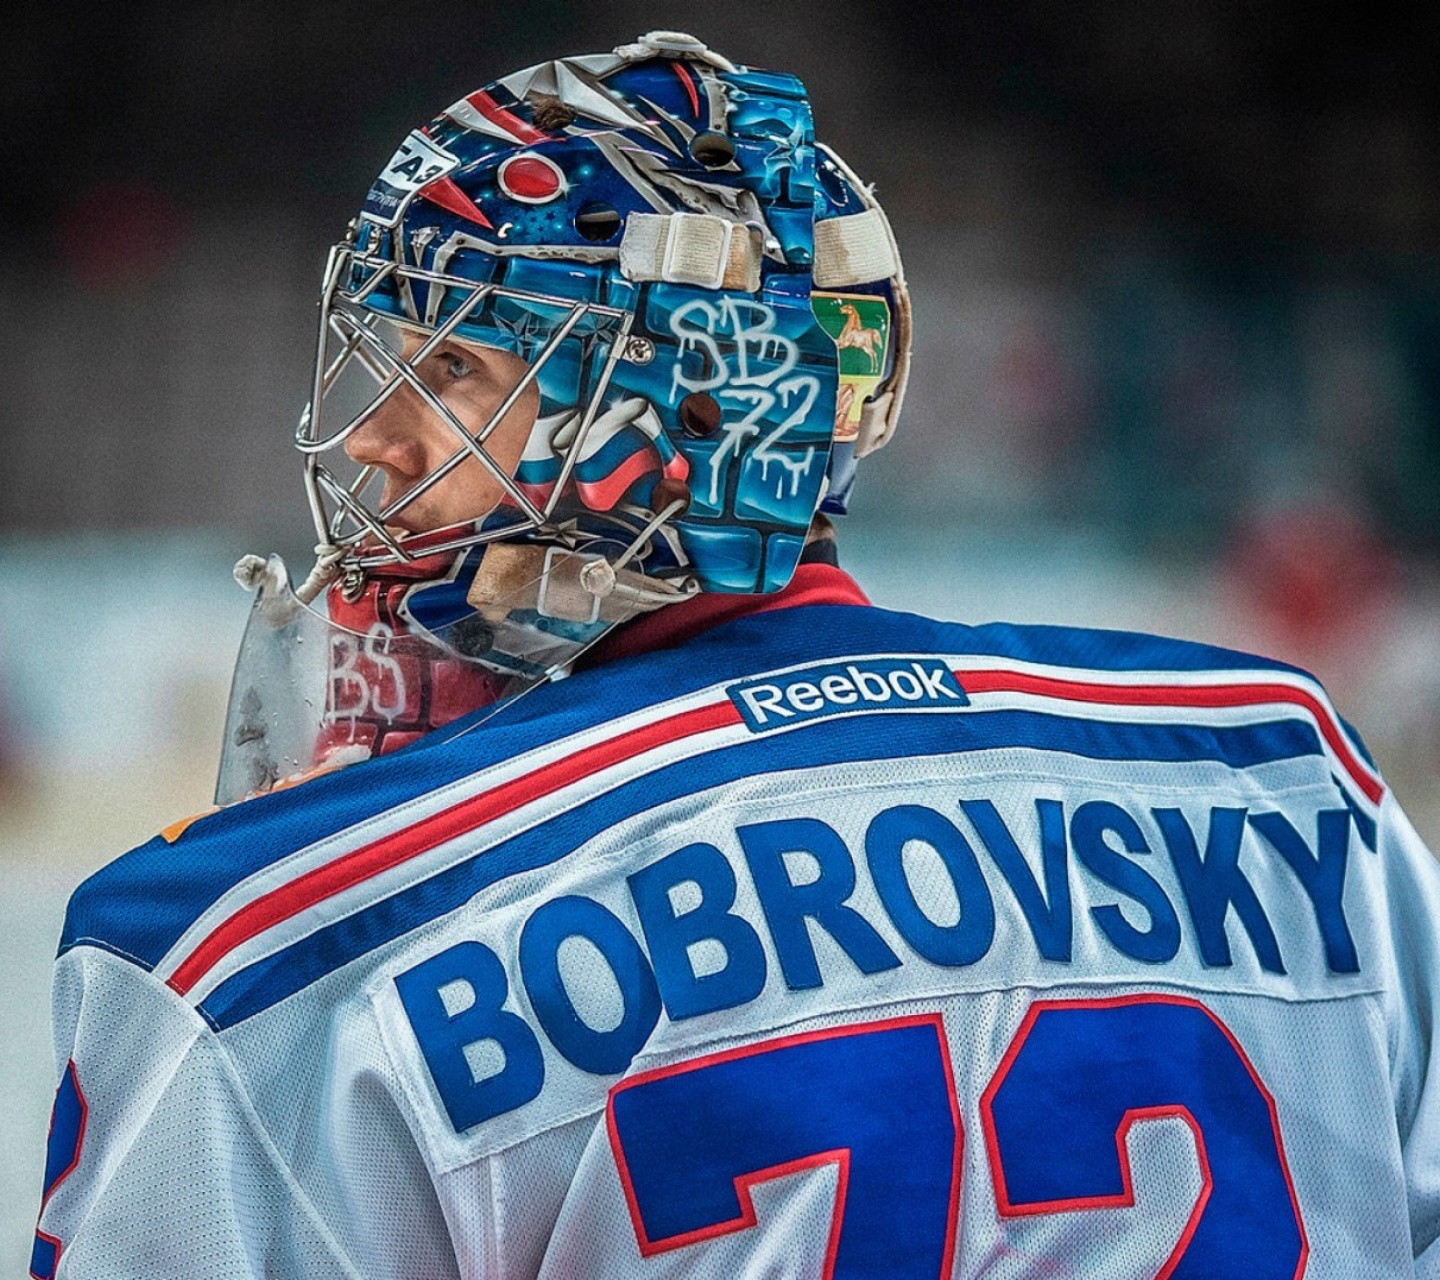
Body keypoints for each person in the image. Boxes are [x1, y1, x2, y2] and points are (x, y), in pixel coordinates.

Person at [30, 30, 1440, 1280]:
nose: (374, 441)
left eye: (450, 370)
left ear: (680, 402)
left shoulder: (270, 946)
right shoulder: (1286, 774)